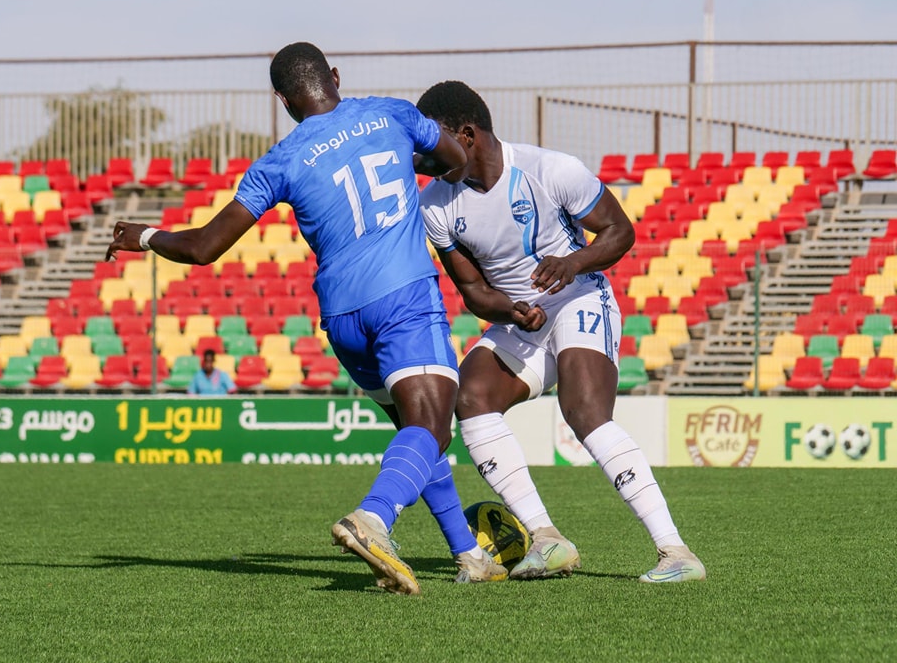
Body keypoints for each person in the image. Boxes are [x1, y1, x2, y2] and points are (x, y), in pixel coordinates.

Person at [105, 43, 506, 595]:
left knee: (416, 430)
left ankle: (468, 553)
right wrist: (400, 157)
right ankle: (374, 518)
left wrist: (144, 236)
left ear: (282, 100)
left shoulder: (280, 161)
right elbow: (457, 159)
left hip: (343, 319)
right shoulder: (389, 115)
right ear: (335, 76)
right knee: (433, 426)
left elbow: (203, 247)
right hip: (404, 297)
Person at [416, 80, 705, 583]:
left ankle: (675, 552)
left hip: (579, 297)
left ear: (466, 134)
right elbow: (471, 290)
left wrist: (572, 263)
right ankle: (548, 540)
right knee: (471, 395)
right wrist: (508, 309)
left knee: (585, 412)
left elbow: (620, 232)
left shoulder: (551, 170)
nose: (428, 161)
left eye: (434, 147)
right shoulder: (436, 205)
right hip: (520, 321)